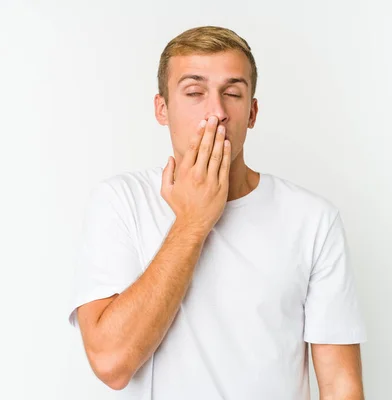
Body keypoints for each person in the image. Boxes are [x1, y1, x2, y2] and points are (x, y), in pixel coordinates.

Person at [68, 25, 368, 400]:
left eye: (233, 93)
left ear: (252, 112)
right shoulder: (120, 202)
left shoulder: (313, 220)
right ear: (162, 109)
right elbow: (111, 363)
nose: (217, 112)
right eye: (194, 93)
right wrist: (193, 222)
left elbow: (341, 385)